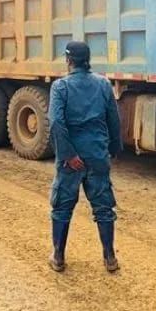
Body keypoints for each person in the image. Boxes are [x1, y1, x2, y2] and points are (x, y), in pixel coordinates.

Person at [47, 40, 123, 273]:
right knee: (103, 208)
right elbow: (114, 119)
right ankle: (110, 258)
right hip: (97, 154)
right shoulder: (103, 84)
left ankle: (58, 257)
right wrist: (113, 149)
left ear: (68, 60)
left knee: (62, 206)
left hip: (72, 159)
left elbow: (57, 123)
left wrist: (68, 154)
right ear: (88, 59)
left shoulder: (61, 87)